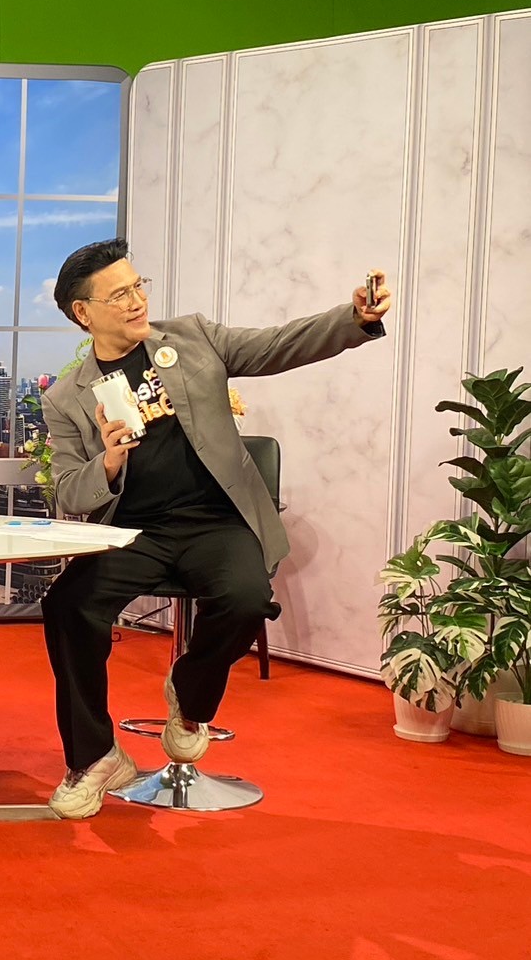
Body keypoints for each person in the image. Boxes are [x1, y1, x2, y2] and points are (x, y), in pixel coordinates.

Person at [39, 238, 390, 818]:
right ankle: (95, 755)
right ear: (84, 312)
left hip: (218, 521)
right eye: (119, 294)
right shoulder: (66, 397)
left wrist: (353, 318)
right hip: (135, 531)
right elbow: (69, 491)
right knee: (67, 605)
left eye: (138, 286)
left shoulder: (192, 338)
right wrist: (108, 461)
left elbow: (279, 345)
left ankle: (190, 692)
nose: (136, 300)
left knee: (246, 599)